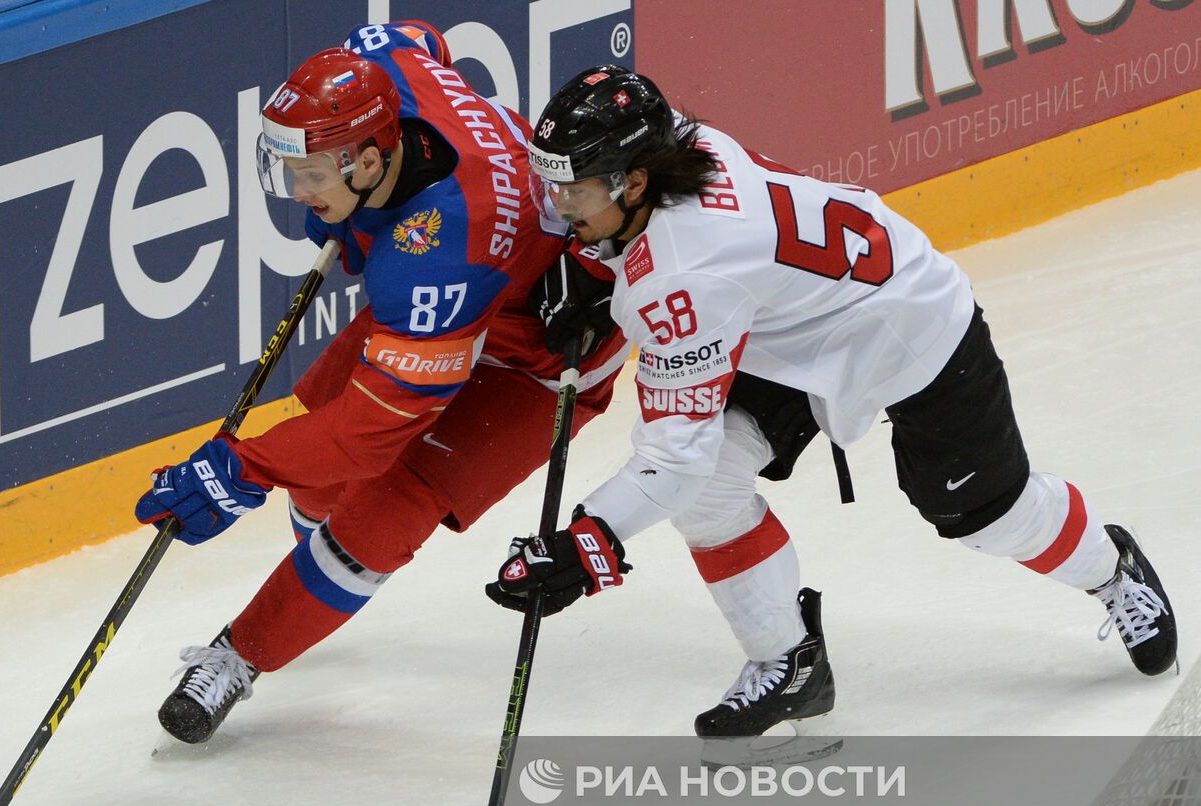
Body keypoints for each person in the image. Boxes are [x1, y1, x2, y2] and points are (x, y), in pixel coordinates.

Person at [486, 66, 1177, 742]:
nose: (559, 204)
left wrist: (586, 542)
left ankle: (1110, 568)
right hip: (788, 322)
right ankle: (790, 661)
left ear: (633, 181)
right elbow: (670, 265)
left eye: (572, 189)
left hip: (909, 330)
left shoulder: (686, 282)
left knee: (990, 517)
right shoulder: (678, 148)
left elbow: (673, 457)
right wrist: (592, 266)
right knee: (712, 489)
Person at [133, 24, 627, 744]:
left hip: (540, 362)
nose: (299, 194)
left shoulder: (438, 257)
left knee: (383, 513)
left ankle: (240, 656)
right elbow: (419, 38)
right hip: (469, 293)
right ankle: (310, 563)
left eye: (313, 178)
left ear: (368, 159)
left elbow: (367, 438)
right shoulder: (383, 72)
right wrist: (358, 214)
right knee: (318, 460)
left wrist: (243, 467)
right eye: (291, 172)